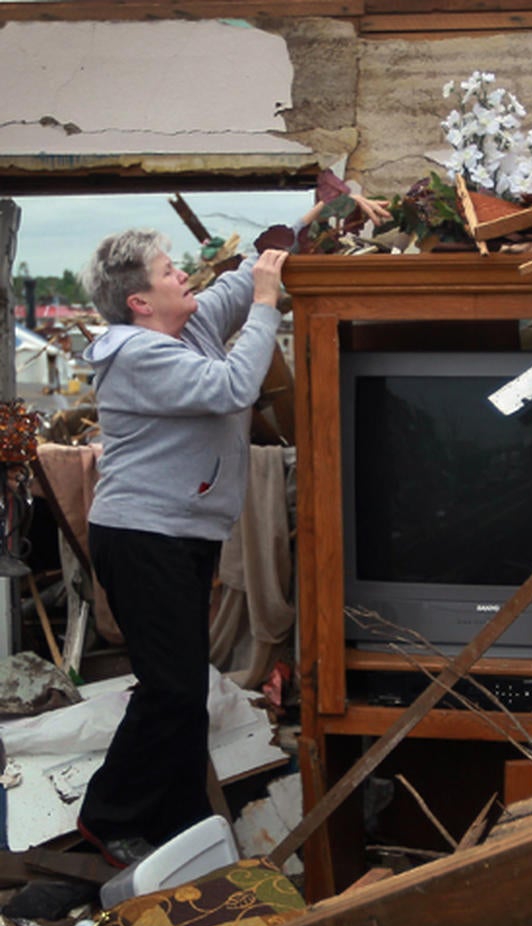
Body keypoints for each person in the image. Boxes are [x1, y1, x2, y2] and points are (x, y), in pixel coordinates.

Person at [74, 193, 390, 867]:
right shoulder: (136, 354)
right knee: (174, 688)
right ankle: (106, 819)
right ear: (139, 301)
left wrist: (322, 216)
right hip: (140, 536)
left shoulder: (179, 325)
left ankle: (180, 815)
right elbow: (231, 387)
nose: (182, 274)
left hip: (180, 535)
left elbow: (247, 271)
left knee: (186, 685)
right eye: (168, 271)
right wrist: (269, 306)